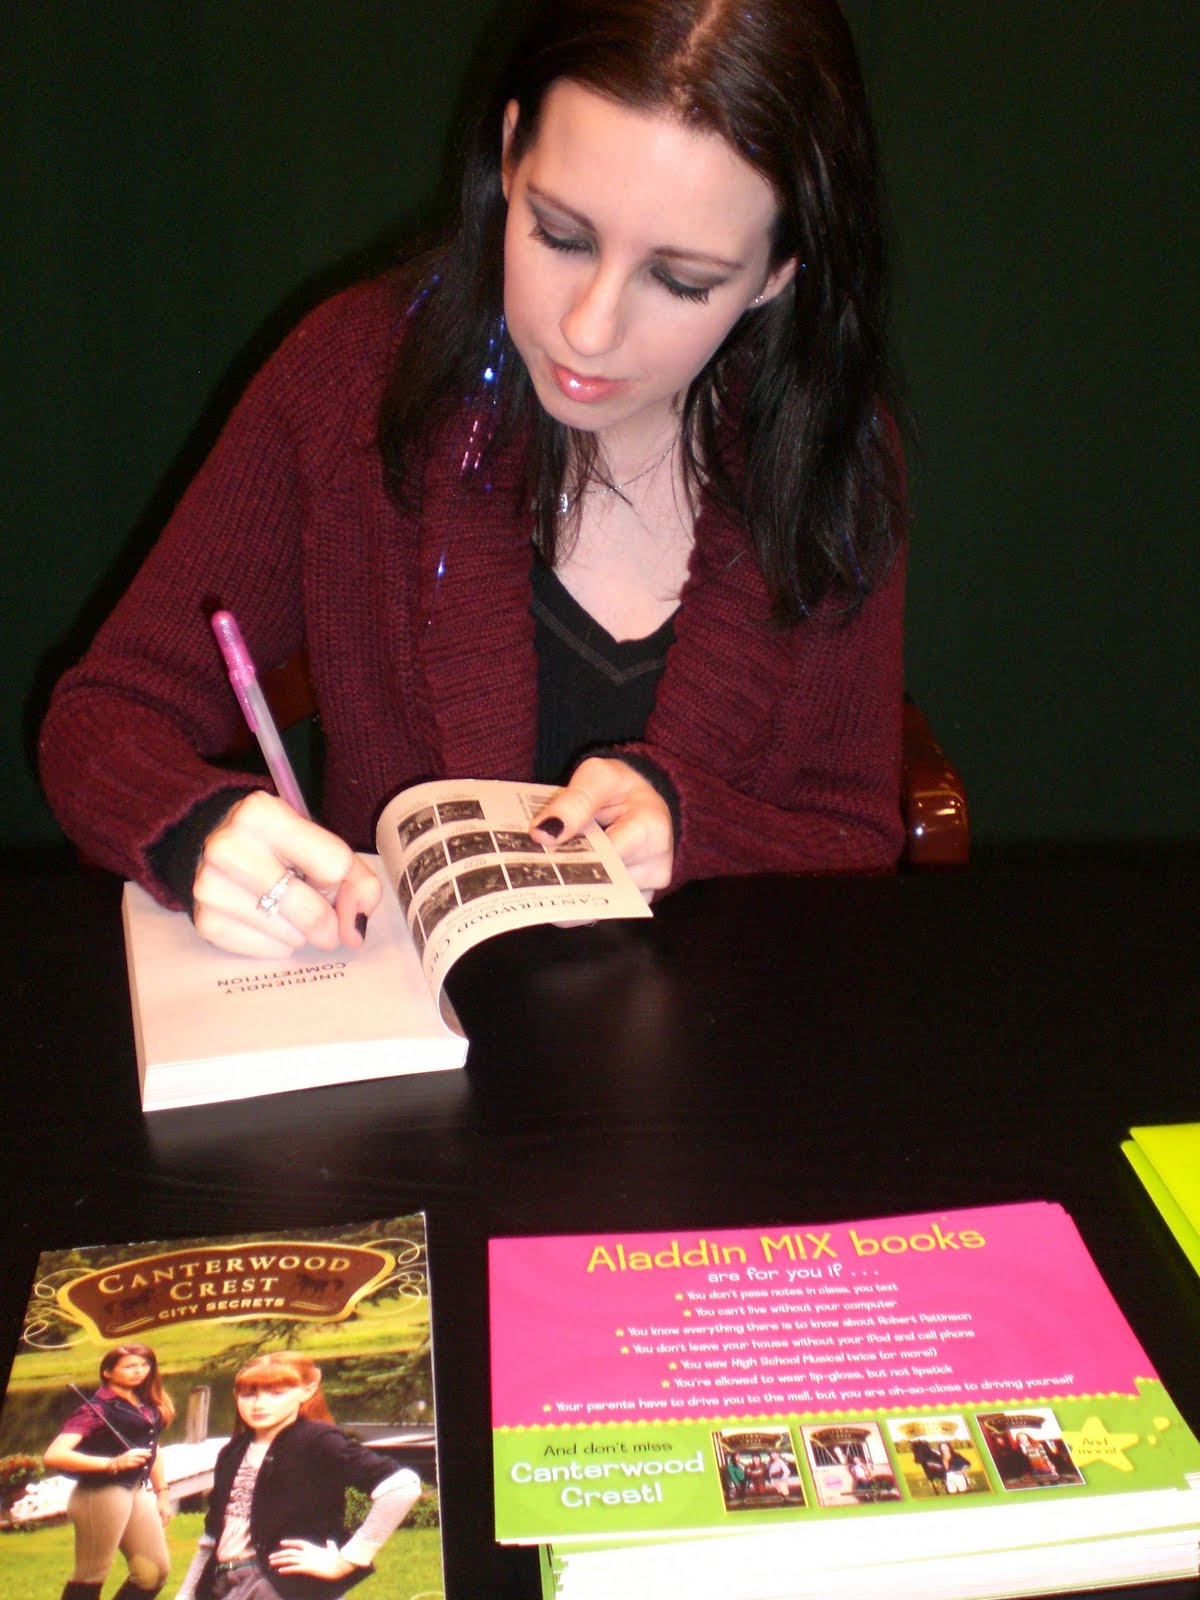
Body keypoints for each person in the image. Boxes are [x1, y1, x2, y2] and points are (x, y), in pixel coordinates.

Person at [39, 0, 905, 960]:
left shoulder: (832, 457)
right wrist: (198, 831)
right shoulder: (351, 388)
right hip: (410, 1035)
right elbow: (102, 719)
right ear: (508, 155)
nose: (589, 329)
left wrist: (700, 830)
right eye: (560, 234)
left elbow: (853, 840)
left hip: (717, 1044)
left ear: (779, 271)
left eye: (682, 280)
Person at [173, 1353, 422, 1600]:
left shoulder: (318, 1442)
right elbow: (212, 1537)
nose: (259, 1404)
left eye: (276, 1393)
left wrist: (349, 1559)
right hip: (224, 1584)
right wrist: (186, 1594)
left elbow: (401, 1487)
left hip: (284, 1588)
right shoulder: (233, 1452)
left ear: (307, 1391)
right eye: (248, 1394)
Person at [43, 1343, 175, 1600]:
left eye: (144, 1365)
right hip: (100, 1495)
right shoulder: (96, 1410)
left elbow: (152, 1447)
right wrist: (113, 1463)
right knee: (91, 1575)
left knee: (154, 1574)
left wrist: (163, 1493)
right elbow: (54, 1454)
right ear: (107, 1372)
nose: (139, 1371)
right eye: (129, 1366)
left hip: (136, 1491)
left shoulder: (146, 1404)